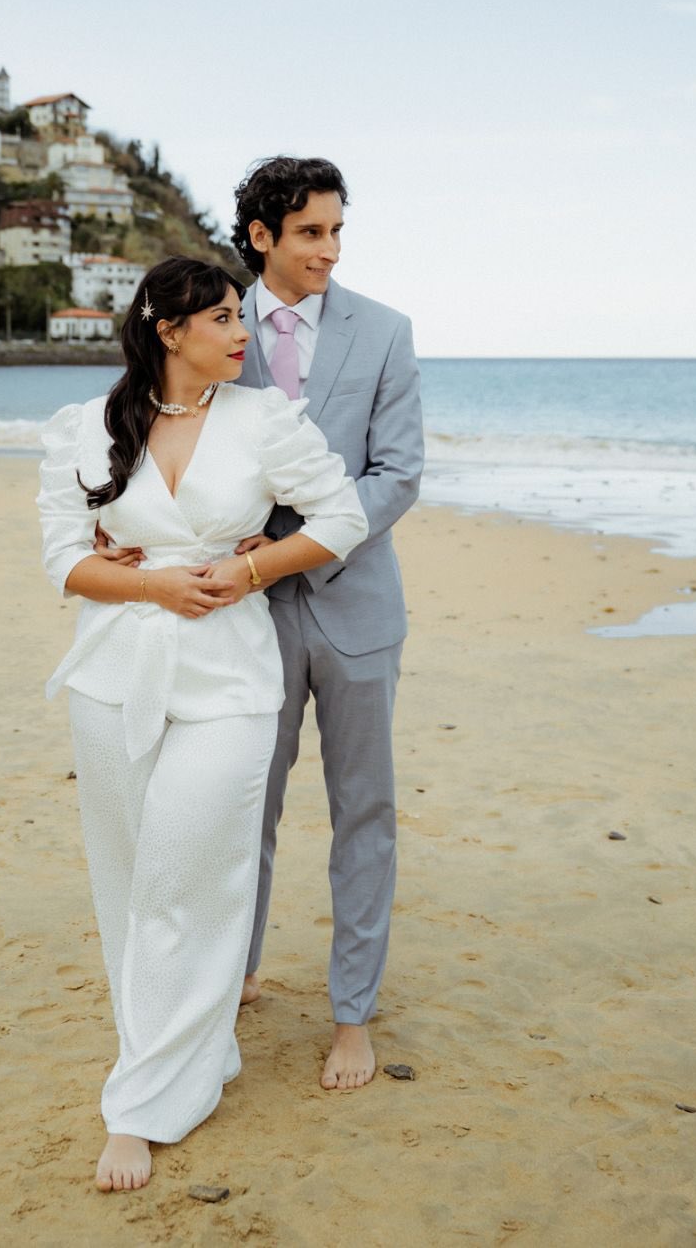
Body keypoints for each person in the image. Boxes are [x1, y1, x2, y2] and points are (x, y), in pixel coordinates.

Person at [36, 256, 367, 1192]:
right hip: (115, 674)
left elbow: (340, 515)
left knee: (192, 872)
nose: (241, 333)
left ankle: (137, 1108)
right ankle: (194, 1050)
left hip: (230, 677)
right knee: (131, 879)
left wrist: (253, 570)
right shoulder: (86, 428)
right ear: (167, 329)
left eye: (240, 315)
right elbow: (64, 559)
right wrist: (146, 581)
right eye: (222, 318)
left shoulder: (264, 419)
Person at [231, 156, 425, 1090]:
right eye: (311, 232)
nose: (330, 250)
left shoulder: (385, 333)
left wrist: (309, 548)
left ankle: (353, 1014)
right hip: (244, 616)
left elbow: (397, 475)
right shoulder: (216, 330)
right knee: (242, 809)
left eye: (338, 231)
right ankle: (234, 974)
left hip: (357, 606)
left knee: (366, 814)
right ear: (263, 236)